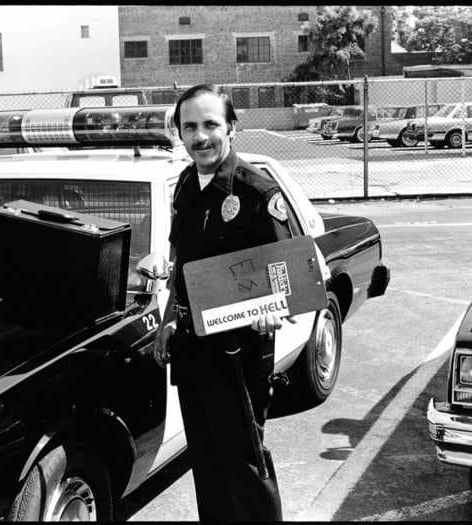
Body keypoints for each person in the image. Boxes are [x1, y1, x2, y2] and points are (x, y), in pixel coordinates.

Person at [153, 84, 296, 521]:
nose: (200, 137)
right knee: (207, 461)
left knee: (244, 463)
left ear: (232, 126)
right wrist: (166, 321)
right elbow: (184, 262)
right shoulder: (184, 184)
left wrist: (273, 306)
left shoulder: (256, 191)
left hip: (239, 352)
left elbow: (286, 271)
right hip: (194, 349)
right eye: (190, 126)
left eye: (211, 124)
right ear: (179, 131)